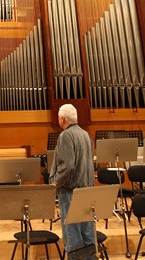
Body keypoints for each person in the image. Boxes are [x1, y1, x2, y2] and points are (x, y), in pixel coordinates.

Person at [49, 103, 95, 258]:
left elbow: (67, 167)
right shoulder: (84, 134)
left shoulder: (66, 135)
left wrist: (55, 182)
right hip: (85, 190)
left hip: (70, 192)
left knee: (73, 235)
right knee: (87, 233)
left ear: (62, 119)